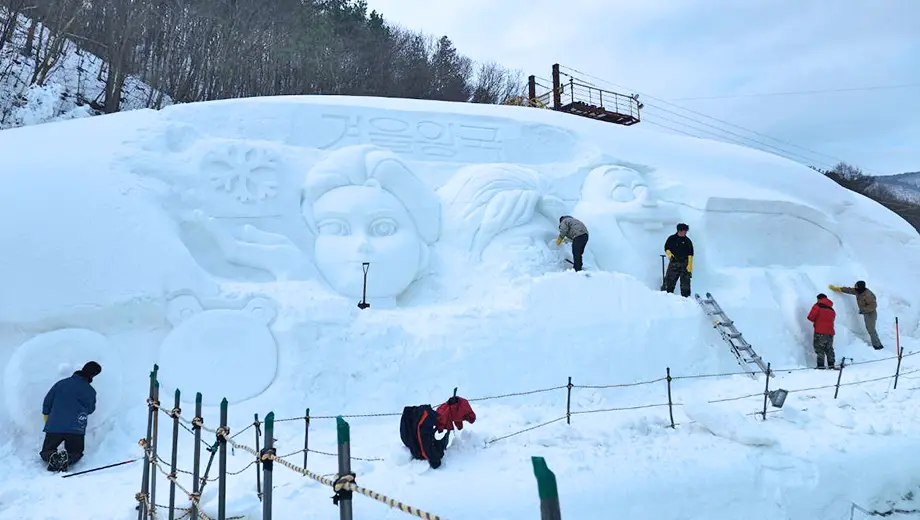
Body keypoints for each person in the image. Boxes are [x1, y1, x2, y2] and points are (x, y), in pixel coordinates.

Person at [40, 361, 101, 470]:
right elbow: (90, 409)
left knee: (46, 451)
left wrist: (46, 413)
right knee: (75, 452)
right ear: (93, 375)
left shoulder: (61, 383)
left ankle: (52, 457)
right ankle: (66, 459)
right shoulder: (90, 391)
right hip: (76, 427)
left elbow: (48, 400)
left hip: (55, 425)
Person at [828, 280, 883, 350]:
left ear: (860, 287)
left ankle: (877, 346)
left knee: (871, 329)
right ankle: (876, 344)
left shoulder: (868, 295)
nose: (855, 287)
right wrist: (839, 289)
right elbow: (849, 290)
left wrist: (863, 310)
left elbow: (873, 305)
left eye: (856, 286)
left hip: (871, 313)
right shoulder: (858, 291)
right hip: (866, 312)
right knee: (870, 329)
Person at [662, 223, 694, 297]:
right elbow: (666, 247)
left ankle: (686, 299)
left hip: (685, 264)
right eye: (684, 231)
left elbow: (691, 254)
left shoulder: (688, 241)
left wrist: (690, 264)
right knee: (669, 281)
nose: (685, 233)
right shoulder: (672, 239)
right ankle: (667, 296)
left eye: (686, 231)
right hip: (674, 263)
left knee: (685, 284)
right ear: (679, 231)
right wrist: (670, 254)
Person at [807, 293, 837, 369]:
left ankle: (820, 366)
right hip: (830, 332)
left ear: (818, 299)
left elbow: (810, 317)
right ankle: (831, 365)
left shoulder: (817, 306)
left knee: (820, 349)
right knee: (829, 349)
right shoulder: (831, 309)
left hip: (820, 331)